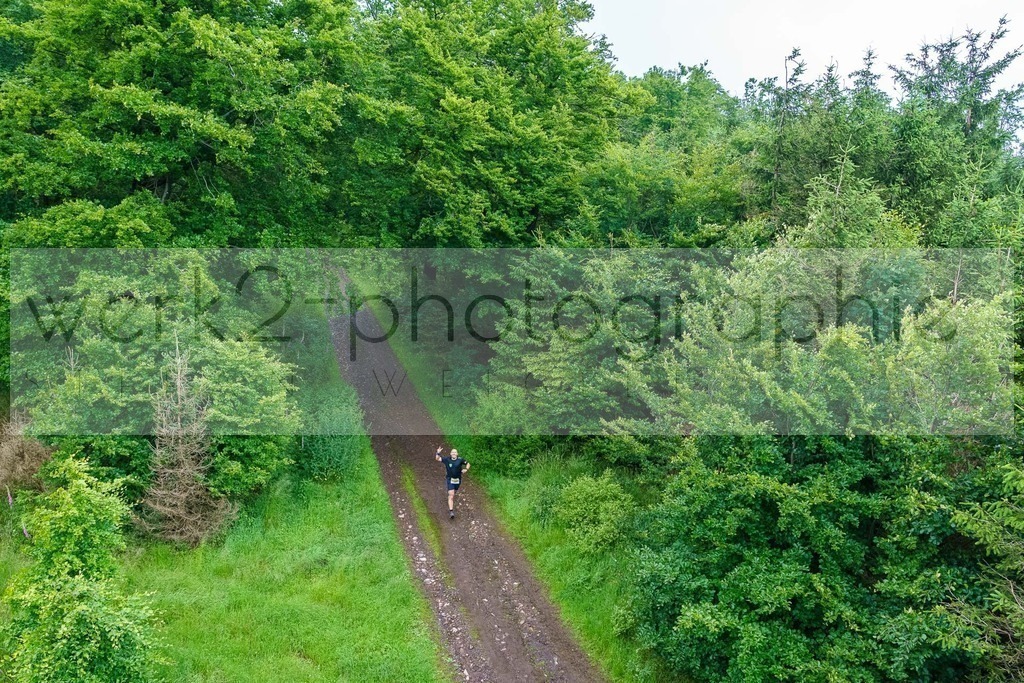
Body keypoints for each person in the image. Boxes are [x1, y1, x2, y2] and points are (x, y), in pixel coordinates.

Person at [435, 446, 469, 519]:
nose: (453, 453)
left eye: (455, 452)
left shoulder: (460, 460)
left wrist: (466, 469)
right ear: (450, 453)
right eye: (452, 452)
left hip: (458, 480)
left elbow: (468, 464)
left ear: (457, 454)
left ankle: (452, 496)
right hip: (450, 479)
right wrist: (438, 452)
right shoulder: (447, 459)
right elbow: (437, 459)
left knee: (454, 492)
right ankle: (451, 512)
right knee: (451, 495)